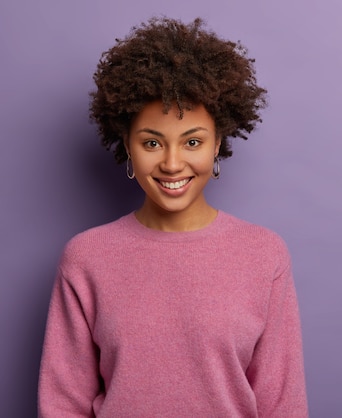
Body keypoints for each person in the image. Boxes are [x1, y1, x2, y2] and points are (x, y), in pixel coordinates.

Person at [38, 17, 308, 417]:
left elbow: (282, 404)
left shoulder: (264, 254)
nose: (171, 163)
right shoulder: (86, 257)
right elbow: (63, 404)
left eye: (193, 141)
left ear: (218, 143)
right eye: (151, 142)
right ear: (126, 144)